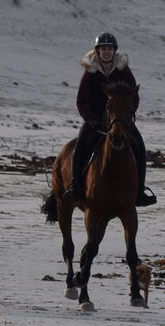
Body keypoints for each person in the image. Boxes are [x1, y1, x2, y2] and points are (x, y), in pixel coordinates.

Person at [64, 31, 156, 207]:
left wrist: (125, 116)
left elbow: (133, 97)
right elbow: (81, 101)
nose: (106, 52)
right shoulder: (90, 71)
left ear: (114, 51)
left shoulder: (123, 70)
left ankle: (140, 191)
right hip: (96, 121)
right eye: (103, 49)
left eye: (110, 49)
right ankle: (75, 187)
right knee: (79, 147)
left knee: (139, 146)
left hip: (119, 121)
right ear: (98, 51)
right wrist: (91, 120)